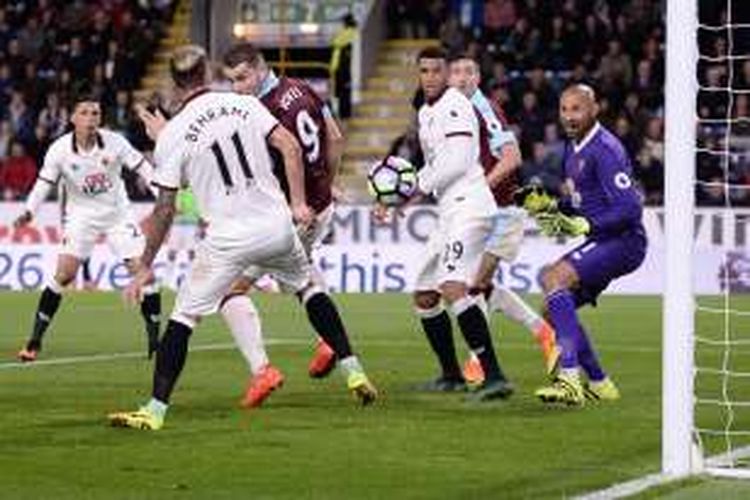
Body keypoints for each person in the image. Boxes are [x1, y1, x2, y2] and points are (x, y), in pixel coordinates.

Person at [108, 45, 375, 431]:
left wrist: (144, 265)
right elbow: (289, 147)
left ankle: (154, 410)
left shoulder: (175, 133)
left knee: (184, 316)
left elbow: (166, 207)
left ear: (174, 84)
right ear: (207, 74)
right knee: (308, 289)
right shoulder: (246, 105)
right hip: (278, 225)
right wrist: (300, 202)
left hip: (229, 239)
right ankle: (354, 372)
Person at [378, 47, 513, 401]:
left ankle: (495, 376)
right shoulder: (426, 111)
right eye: (424, 71)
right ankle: (451, 375)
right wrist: (395, 197)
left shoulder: (455, 105)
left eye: (437, 71)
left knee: (454, 285)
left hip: (470, 206)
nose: (431, 77)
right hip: (448, 211)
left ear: (447, 73)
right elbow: (436, 164)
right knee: (425, 293)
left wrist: (411, 191)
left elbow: (455, 162)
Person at [222, 43, 351, 380]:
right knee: (298, 274)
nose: (238, 88)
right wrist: (326, 182)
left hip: (293, 215)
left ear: (260, 68)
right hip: (321, 206)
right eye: (232, 81)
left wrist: (298, 201)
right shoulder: (302, 87)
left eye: (243, 78)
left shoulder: (261, 112)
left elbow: (278, 160)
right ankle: (328, 341)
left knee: (231, 290)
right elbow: (336, 139)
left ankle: (262, 371)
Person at [14, 90, 161, 362]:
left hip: (118, 214)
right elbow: (43, 184)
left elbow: (143, 168)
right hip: (81, 216)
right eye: (84, 112)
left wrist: (162, 194)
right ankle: (34, 341)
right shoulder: (59, 150)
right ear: (72, 118)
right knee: (64, 274)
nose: (91, 118)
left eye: (95, 113)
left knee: (142, 272)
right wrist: (28, 211)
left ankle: (156, 341)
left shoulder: (115, 142)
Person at [524, 84, 647, 405]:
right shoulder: (573, 148)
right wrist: (552, 207)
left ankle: (569, 380)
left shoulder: (605, 149)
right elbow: (582, 200)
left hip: (623, 242)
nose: (569, 116)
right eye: (564, 109)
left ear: (594, 110)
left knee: (553, 277)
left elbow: (631, 208)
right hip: (603, 240)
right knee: (553, 308)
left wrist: (589, 224)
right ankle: (600, 384)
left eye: (576, 109)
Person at [447, 53, 559, 382]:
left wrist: (477, 188)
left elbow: (512, 158)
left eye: (469, 72)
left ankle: (478, 361)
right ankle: (543, 333)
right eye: (457, 72)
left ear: (478, 78)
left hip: (499, 211)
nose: (462, 78)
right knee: (477, 285)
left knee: (469, 285)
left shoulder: (485, 109)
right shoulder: (457, 112)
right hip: (483, 210)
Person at [164, 187, 203, 290]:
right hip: (176, 225)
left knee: (191, 253)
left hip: (191, 224)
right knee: (172, 252)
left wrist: (200, 224)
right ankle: (167, 281)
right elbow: (169, 207)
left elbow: (199, 208)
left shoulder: (194, 189)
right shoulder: (175, 189)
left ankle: (191, 280)